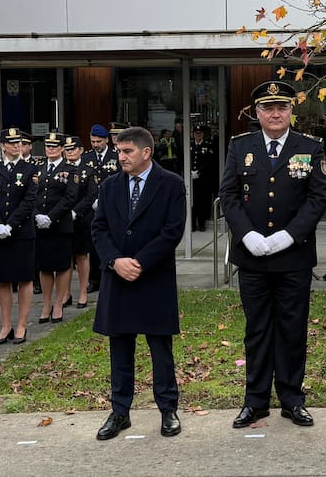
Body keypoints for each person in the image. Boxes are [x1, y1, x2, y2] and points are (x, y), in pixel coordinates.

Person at [219, 80, 326, 429]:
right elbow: (228, 195)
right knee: (257, 330)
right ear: (257, 112)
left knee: (292, 330)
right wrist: (246, 234)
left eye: (282, 107)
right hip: (252, 257)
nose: (275, 113)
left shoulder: (309, 147)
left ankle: (293, 400)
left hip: (293, 257)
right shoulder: (240, 146)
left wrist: (289, 235)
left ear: (291, 111)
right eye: (268, 108)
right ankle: (255, 402)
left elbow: (318, 198)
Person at [91, 126, 185, 440]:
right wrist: (115, 261)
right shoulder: (109, 186)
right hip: (117, 278)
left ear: (146, 152)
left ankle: (168, 409)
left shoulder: (171, 184)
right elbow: (99, 228)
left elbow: (172, 231)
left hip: (153, 277)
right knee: (120, 348)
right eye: (119, 151)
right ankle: (120, 411)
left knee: (160, 348)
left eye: (127, 151)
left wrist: (141, 262)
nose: (121, 157)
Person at [0, 127, 39, 345]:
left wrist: (11, 225)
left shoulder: (30, 168)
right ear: (3, 146)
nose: (17, 146)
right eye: (12, 143)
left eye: (20, 143)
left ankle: (22, 324)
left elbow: (29, 201)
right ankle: (6, 325)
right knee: (3, 279)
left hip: (22, 232)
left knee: (24, 278)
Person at [34, 132, 78, 323]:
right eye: (48, 146)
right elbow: (31, 194)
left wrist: (51, 217)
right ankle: (46, 304)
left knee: (61, 266)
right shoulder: (38, 168)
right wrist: (37, 214)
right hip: (40, 224)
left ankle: (59, 303)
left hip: (60, 224)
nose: (50, 149)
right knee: (44, 266)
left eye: (54, 146)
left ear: (61, 149)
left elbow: (70, 197)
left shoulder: (70, 169)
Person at [62, 135, 95, 309]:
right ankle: (65, 293)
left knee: (81, 256)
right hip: (62, 219)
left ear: (81, 150)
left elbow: (91, 195)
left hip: (81, 218)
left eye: (73, 149)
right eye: (67, 149)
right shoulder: (60, 168)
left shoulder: (88, 170)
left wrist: (75, 212)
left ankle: (83, 292)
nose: (70, 152)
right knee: (66, 257)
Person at [84, 123, 117, 293]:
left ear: (106, 140)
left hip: (111, 207)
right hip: (91, 208)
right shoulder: (86, 157)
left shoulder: (115, 156)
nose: (95, 144)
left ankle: (110, 275)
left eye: (98, 141)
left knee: (110, 241)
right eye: (93, 141)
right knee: (93, 244)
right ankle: (94, 280)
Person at [189, 125, 218, 232]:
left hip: (203, 179)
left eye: (200, 133)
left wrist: (199, 172)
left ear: (202, 134)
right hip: (191, 179)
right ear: (193, 134)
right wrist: (190, 171)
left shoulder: (207, 146)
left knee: (203, 202)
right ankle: (192, 225)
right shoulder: (190, 145)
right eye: (196, 133)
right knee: (192, 202)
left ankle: (201, 224)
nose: (198, 135)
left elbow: (210, 161)